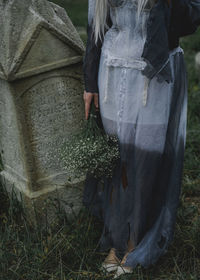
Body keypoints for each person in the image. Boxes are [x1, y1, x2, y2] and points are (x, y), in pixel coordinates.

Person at [82, 0, 200, 278]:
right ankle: (117, 238)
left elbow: (191, 19)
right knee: (117, 159)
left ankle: (136, 241)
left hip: (154, 75)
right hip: (112, 71)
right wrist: (89, 81)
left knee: (147, 158)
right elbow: (95, 29)